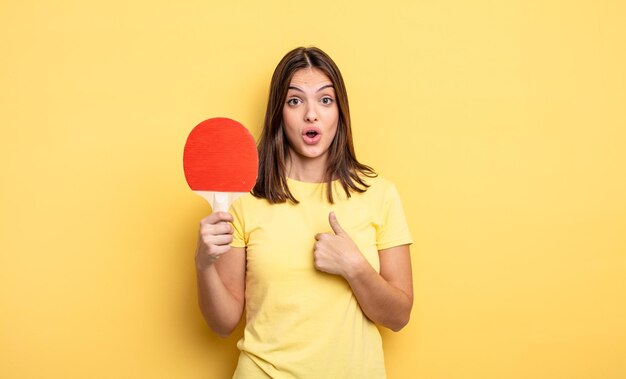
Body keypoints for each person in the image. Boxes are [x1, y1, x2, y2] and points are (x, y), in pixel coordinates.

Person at [195, 46, 413, 378]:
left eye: (325, 100)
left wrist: (354, 267)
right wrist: (203, 262)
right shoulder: (245, 200)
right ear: (279, 112)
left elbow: (398, 317)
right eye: (295, 101)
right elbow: (223, 323)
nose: (311, 114)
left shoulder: (379, 194)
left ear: (339, 111)